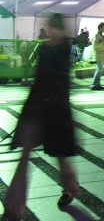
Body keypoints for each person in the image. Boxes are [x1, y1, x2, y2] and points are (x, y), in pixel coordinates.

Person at [3, 13, 79, 220]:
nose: (50, 32)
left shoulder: (64, 49)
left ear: (61, 30)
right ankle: (13, 206)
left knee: (60, 155)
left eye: (54, 28)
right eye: (49, 28)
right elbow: (38, 76)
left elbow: (63, 81)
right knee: (25, 156)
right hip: (36, 107)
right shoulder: (44, 47)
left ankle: (71, 187)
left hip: (57, 110)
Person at [90, 22, 104, 91]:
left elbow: (102, 45)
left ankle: (97, 84)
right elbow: (96, 46)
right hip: (98, 55)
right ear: (100, 28)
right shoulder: (96, 36)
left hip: (102, 55)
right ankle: (94, 84)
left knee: (100, 70)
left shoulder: (101, 36)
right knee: (99, 69)